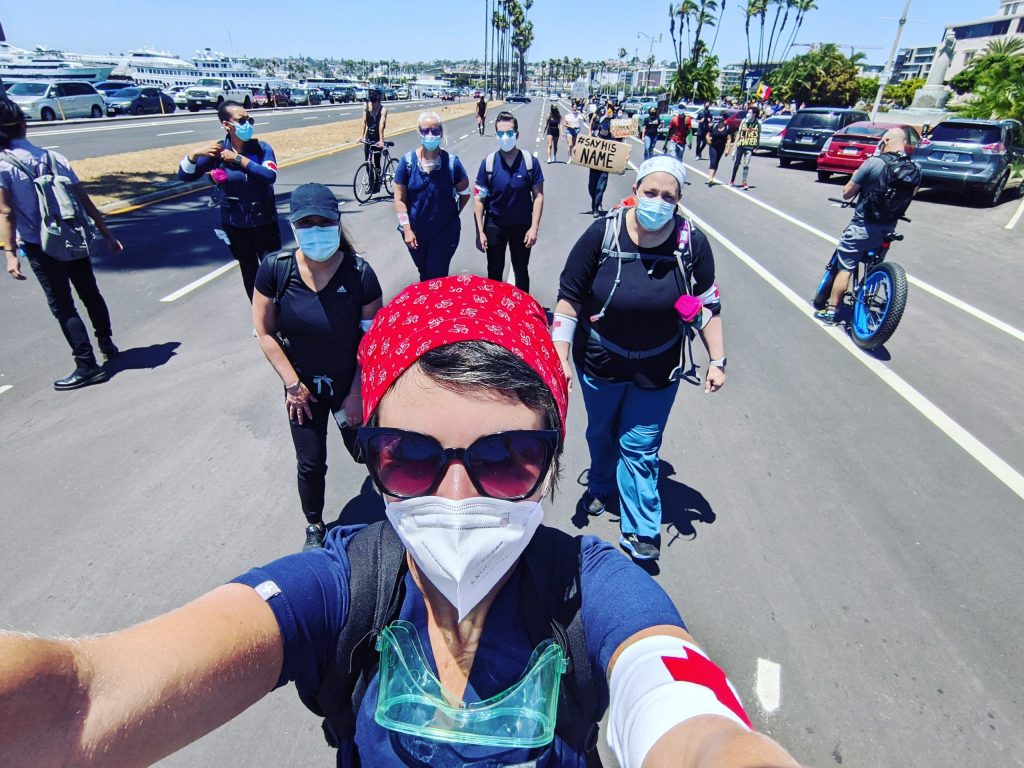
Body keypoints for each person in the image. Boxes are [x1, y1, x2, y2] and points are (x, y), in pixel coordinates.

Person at [0, 275, 801, 768]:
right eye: (412, 457)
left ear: (553, 463)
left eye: (507, 457)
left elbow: (693, 722)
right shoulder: (346, 589)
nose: (456, 497)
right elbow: (81, 702)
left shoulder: (593, 593)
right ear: (373, 457)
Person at [553, 156, 726, 562]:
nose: (658, 202)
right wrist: (560, 358)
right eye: (651, 193)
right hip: (600, 360)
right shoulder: (603, 234)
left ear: (679, 201)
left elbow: (708, 306)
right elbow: (568, 301)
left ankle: (641, 530)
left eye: (668, 196)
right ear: (635, 193)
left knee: (640, 447)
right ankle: (599, 483)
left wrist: (718, 360)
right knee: (601, 433)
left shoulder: (692, 244)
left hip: (659, 366)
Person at [253, 183, 383, 550]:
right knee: (311, 462)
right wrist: (293, 385)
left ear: (337, 223)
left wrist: (357, 391)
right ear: (293, 227)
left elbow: (371, 341)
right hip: (303, 391)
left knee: (367, 453)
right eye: (305, 223)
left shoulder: (360, 274)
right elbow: (264, 333)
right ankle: (314, 525)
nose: (315, 230)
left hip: (348, 385)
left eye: (322, 221)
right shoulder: (274, 270)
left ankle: (397, 501)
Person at [0, 99, 124, 391]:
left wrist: (10, 254)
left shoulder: (4, 166)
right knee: (90, 292)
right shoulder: (55, 158)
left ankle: (86, 364)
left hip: (39, 244)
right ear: (23, 125)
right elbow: (84, 199)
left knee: (63, 304)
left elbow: (6, 212)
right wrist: (106, 233)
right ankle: (106, 342)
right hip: (72, 237)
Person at [177, 100, 281, 304]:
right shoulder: (217, 153)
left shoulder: (261, 148)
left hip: (265, 221)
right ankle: (259, 316)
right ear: (226, 125)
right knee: (249, 271)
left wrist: (238, 159)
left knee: (273, 270)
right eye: (241, 120)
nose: (247, 124)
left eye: (249, 119)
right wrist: (193, 155)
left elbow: (269, 175)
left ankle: (280, 312)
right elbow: (184, 176)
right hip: (236, 224)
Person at [816, 128, 919, 325]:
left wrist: (857, 177)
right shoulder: (915, 168)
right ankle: (868, 293)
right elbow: (911, 195)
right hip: (888, 229)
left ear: (886, 141)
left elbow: (847, 193)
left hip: (863, 226)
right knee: (873, 266)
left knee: (845, 267)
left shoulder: (874, 162)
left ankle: (831, 311)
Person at [393, 111, 471, 282]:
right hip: (416, 232)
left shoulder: (452, 163)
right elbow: (399, 199)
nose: (430, 135)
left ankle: (437, 306)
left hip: (444, 232)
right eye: (425, 131)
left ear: (441, 133)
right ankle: (430, 307)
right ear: (418, 132)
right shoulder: (407, 163)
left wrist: (452, 213)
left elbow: (464, 194)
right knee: (424, 272)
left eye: (435, 131)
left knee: (436, 275)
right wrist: (407, 229)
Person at [473, 111, 545, 292]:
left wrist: (534, 227)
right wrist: (479, 232)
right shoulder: (488, 163)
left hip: (522, 226)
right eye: (501, 133)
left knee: (521, 270)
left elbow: (538, 196)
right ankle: (495, 311)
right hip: (494, 225)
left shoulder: (530, 163)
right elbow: (479, 200)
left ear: (517, 134)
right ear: (496, 135)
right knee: (494, 271)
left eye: (510, 133)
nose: (505, 137)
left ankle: (522, 312)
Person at [587, 107, 617, 217]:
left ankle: (596, 208)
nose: (606, 124)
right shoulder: (595, 135)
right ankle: (595, 201)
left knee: (601, 187)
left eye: (608, 123)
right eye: (604, 122)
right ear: (600, 124)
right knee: (591, 187)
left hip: (604, 168)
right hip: (594, 166)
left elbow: (618, 151)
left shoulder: (612, 137)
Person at [362, 87, 388, 188]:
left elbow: (382, 125)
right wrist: (362, 136)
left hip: (377, 137)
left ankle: (377, 183)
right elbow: (363, 122)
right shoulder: (365, 106)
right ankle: (371, 182)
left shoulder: (383, 110)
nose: (373, 105)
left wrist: (381, 140)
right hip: (369, 136)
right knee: (367, 161)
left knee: (377, 161)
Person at [729, 108, 760, 190]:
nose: (748, 114)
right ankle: (732, 180)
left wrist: (757, 146)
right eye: (748, 112)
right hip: (741, 145)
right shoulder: (744, 121)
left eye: (750, 112)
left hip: (749, 146)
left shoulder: (758, 123)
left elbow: (758, 135)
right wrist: (734, 146)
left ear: (754, 114)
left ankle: (744, 182)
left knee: (746, 164)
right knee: (737, 164)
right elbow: (739, 133)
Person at [705, 117, 735, 186]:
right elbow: (707, 135)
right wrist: (708, 140)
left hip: (721, 147)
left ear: (723, 122)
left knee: (716, 162)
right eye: (717, 122)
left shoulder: (727, 128)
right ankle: (710, 178)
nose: (718, 123)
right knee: (713, 161)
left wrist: (727, 149)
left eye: (719, 122)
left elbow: (729, 139)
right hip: (713, 146)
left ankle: (712, 177)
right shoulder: (714, 126)